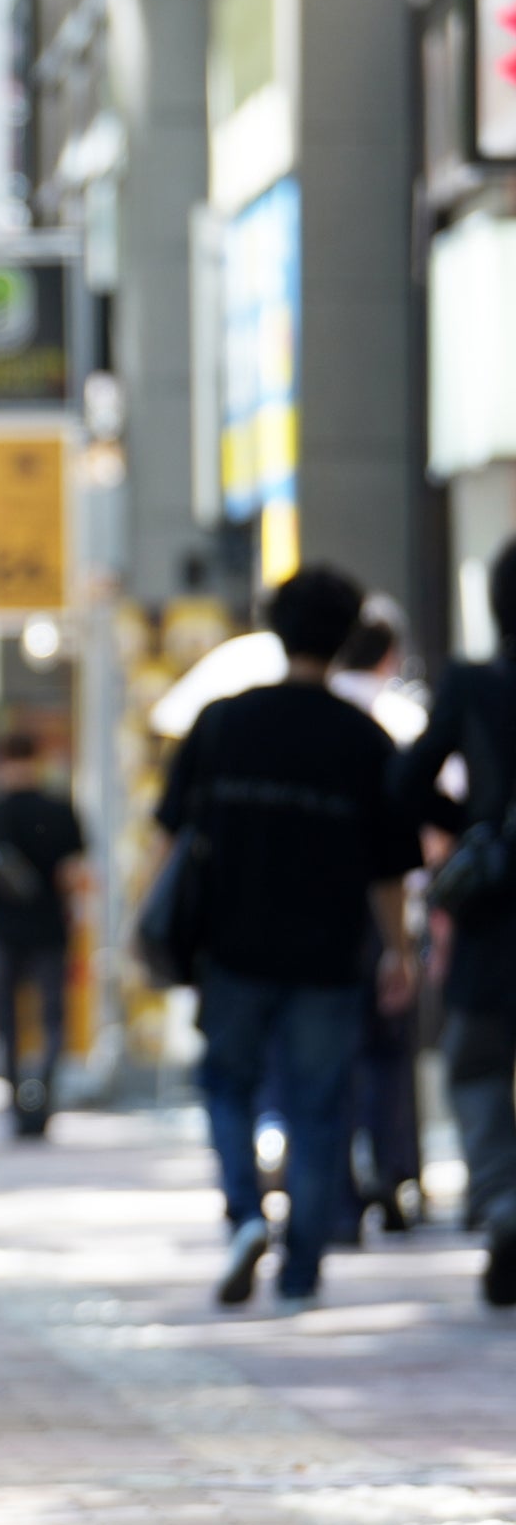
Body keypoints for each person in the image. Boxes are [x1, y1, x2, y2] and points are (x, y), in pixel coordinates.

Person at [156, 567, 420, 1310]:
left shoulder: (223, 723)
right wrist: (397, 952)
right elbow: (391, 869)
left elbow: (169, 838)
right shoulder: (364, 740)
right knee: (319, 1105)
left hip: (231, 947)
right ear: (344, 641)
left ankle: (245, 1214)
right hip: (331, 955)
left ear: (277, 628)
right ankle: (302, 1268)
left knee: (227, 1085)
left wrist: (154, 925)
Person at [394, 535, 516, 1303]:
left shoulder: (473, 684)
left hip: (495, 911)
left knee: (474, 1065)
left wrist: (474, 823)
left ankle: (504, 1202)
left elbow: (405, 780)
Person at [330, 597, 426, 1236]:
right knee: (392, 1051)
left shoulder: (315, 711)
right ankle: (396, 1178)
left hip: (325, 912)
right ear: (390, 653)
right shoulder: (404, 717)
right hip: (400, 904)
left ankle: (335, 1194)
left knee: (330, 1053)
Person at [0, 732, 83, 1137]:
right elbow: (75, 875)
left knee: (7, 1022)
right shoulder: (60, 809)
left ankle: (17, 1104)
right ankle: (42, 1097)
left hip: (4, 933)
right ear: (38, 759)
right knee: (51, 1018)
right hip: (50, 930)